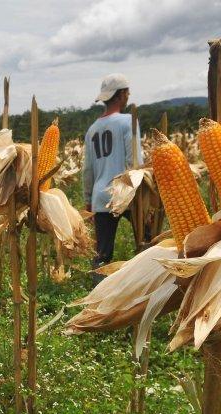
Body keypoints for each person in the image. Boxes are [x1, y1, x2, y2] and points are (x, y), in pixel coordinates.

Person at [82, 73, 143, 280]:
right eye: (127, 92)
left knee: (102, 254)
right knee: (146, 241)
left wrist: (87, 200)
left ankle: (97, 293)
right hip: (125, 193)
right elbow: (135, 162)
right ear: (120, 95)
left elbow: (87, 169)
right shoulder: (128, 122)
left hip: (100, 196)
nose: (128, 96)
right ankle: (142, 282)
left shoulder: (92, 129)